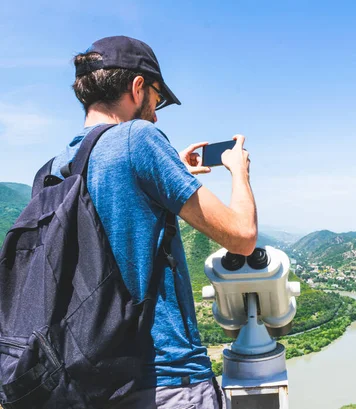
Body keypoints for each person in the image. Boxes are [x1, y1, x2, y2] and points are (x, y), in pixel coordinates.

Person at [52, 35, 257, 408]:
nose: (157, 113)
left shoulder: (58, 166)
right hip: (168, 380)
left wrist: (169, 171)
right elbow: (242, 237)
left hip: (92, 381)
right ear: (137, 87)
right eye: (157, 99)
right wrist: (239, 172)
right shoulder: (139, 138)